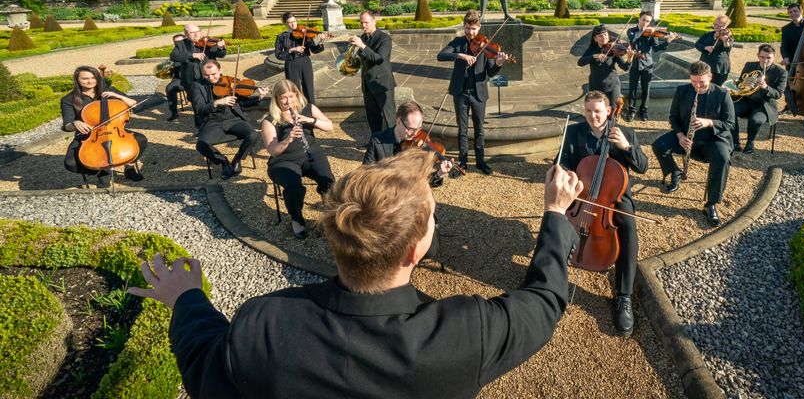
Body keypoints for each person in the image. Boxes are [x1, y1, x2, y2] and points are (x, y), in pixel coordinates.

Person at [128, 150, 584, 399]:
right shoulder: (468, 333)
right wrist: (555, 212)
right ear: (414, 250)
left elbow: (204, 364)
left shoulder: (263, 325)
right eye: (432, 218)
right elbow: (545, 298)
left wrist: (187, 299)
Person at [559, 90, 649, 336]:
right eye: (588, 110)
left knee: (628, 227)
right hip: (581, 195)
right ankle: (553, 276)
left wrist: (626, 147)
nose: (592, 116)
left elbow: (643, 167)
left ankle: (623, 296)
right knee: (557, 216)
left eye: (597, 111)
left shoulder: (625, 133)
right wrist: (563, 175)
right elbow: (563, 162)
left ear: (609, 111)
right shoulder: (574, 131)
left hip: (612, 199)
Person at [651, 60, 735, 227]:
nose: (697, 86)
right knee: (658, 145)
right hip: (687, 138)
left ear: (710, 77)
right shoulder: (682, 91)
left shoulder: (722, 94)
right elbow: (673, 117)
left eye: (701, 82)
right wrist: (680, 136)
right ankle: (675, 172)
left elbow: (730, 123)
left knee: (722, 158)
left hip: (713, 139)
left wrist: (709, 123)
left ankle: (711, 204)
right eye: (694, 81)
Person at [261, 79, 335, 239]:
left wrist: (310, 120)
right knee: (293, 187)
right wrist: (288, 139)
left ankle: (330, 214)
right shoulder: (270, 120)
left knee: (328, 181)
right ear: (277, 99)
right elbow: (273, 150)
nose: (288, 102)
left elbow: (330, 126)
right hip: (284, 161)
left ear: (297, 95)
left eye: (292, 96)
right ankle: (296, 219)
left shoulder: (307, 109)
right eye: (284, 98)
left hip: (311, 154)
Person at [437, 10, 502, 175]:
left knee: (479, 129)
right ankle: (463, 162)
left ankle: (480, 161)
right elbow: (441, 55)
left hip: (479, 93)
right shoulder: (458, 42)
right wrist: (460, 56)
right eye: (467, 28)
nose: (470, 32)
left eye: (473, 29)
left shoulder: (485, 45)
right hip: (460, 92)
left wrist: (499, 64)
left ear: (478, 28)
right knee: (462, 129)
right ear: (464, 27)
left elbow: (491, 72)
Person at [61, 65, 146, 182]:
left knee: (141, 139)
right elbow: (67, 125)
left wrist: (117, 96)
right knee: (70, 163)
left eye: (93, 78)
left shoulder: (108, 91)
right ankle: (101, 169)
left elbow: (134, 104)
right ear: (77, 80)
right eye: (85, 79)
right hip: (88, 136)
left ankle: (129, 167)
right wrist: (75, 123)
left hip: (115, 131)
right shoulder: (68, 99)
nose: (90, 81)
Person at [190, 60, 269, 180]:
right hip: (213, 122)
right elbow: (199, 109)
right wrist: (216, 102)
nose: (211, 78)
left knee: (253, 135)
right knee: (201, 145)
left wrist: (259, 98)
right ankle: (223, 162)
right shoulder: (197, 86)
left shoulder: (230, 82)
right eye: (207, 75)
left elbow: (242, 103)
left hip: (234, 120)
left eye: (214, 74)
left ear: (220, 70)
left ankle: (237, 160)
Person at [363, 100, 454, 186]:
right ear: (399, 122)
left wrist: (439, 173)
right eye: (411, 129)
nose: (415, 133)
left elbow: (424, 184)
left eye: (419, 128)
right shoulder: (377, 140)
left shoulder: (420, 147)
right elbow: (364, 174)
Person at [730, 44, 787, 153]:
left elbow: (778, 94)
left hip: (764, 105)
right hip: (746, 100)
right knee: (730, 111)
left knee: (755, 120)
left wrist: (766, 87)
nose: (765, 60)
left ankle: (750, 143)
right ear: (758, 55)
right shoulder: (750, 65)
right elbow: (741, 82)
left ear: (774, 57)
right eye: (762, 57)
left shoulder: (781, 72)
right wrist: (741, 83)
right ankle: (735, 142)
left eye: (769, 58)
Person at [625, 11, 678, 121]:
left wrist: (668, 41)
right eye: (644, 20)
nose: (645, 23)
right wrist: (643, 30)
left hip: (647, 64)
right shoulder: (631, 31)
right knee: (632, 89)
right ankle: (632, 110)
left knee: (646, 89)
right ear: (639, 19)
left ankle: (643, 110)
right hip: (634, 64)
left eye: (648, 21)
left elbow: (656, 48)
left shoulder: (652, 34)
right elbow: (633, 39)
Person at [170, 22, 227, 127]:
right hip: (191, 81)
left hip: (209, 78)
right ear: (186, 34)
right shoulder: (181, 44)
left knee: (213, 100)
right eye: (192, 33)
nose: (196, 35)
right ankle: (201, 127)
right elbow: (173, 56)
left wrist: (220, 48)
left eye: (197, 32)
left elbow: (221, 54)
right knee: (197, 105)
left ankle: (217, 123)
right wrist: (192, 55)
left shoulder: (208, 42)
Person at [349, 11, 396, 135]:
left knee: (389, 118)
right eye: (361, 23)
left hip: (382, 83)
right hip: (367, 84)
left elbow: (379, 58)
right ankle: (376, 142)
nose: (363, 25)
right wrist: (354, 50)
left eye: (366, 22)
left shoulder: (385, 38)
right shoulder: (363, 38)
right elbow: (362, 59)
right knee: (372, 117)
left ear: (374, 21)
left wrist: (362, 46)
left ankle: (394, 145)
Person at [274, 12, 326, 105]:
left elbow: (314, 50)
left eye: (294, 21)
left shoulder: (304, 33)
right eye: (290, 22)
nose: (293, 24)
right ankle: (297, 110)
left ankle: (311, 109)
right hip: (291, 64)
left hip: (305, 61)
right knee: (294, 89)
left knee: (309, 88)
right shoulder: (281, 36)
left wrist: (320, 41)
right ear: (285, 24)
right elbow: (278, 54)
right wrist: (292, 49)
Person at [578, 24, 630, 106]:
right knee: (597, 108)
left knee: (613, 110)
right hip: (595, 85)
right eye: (600, 36)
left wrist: (630, 58)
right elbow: (580, 62)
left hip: (612, 84)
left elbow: (625, 67)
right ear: (595, 39)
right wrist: (594, 56)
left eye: (606, 35)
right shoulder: (592, 50)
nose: (604, 37)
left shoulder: (614, 49)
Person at [694, 14, 734, 87]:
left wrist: (725, 41)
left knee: (716, 88)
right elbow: (697, 44)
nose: (716, 27)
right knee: (703, 86)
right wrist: (705, 47)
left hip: (719, 67)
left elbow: (727, 48)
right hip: (705, 63)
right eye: (715, 24)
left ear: (725, 26)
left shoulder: (727, 35)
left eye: (720, 26)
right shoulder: (707, 34)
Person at [164, 33, 186, 121]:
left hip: (193, 78)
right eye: (176, 42)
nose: (178, 44)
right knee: (169, 88)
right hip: (179, 79)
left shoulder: (191, 49)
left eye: (180, 42)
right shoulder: (174, 53)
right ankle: (174, 113)